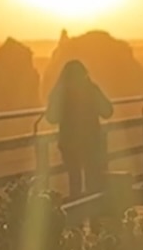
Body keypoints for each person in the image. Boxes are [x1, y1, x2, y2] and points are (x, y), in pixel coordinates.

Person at [46, 58, 113, 199]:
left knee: (74, 179)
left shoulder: (61, 92)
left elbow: (51, 118)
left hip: (68, 143)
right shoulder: (92, 89)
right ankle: (94, 215)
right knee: (93, 179)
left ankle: (76, 215)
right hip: (92, 141)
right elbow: (108, 111)